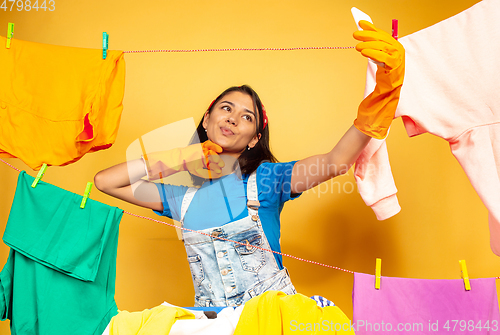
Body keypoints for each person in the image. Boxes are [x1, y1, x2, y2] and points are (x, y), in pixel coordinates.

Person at [94, 20, 405, 307]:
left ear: (254, 138)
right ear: (208, 119)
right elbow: (106, 181)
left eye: (247, 117)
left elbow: (335, 162)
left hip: (271, 322)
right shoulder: (181, 199)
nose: (233, 117)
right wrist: (182, 158)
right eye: (226, 108)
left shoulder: (269, 180)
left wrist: (382, 97)